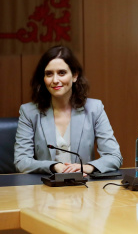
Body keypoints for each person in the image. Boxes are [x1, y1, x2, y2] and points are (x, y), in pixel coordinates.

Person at [14, 45, 123, 174]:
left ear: (75, 75)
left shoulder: (95, 109)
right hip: (45, 188)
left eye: (62, 73)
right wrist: (53, 166)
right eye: (49, 74)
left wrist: (88, 167)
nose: (55, 80)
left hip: (85, 187)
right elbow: (21, 161)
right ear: (43, 79)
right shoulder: (29, 112)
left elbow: (114, 156)